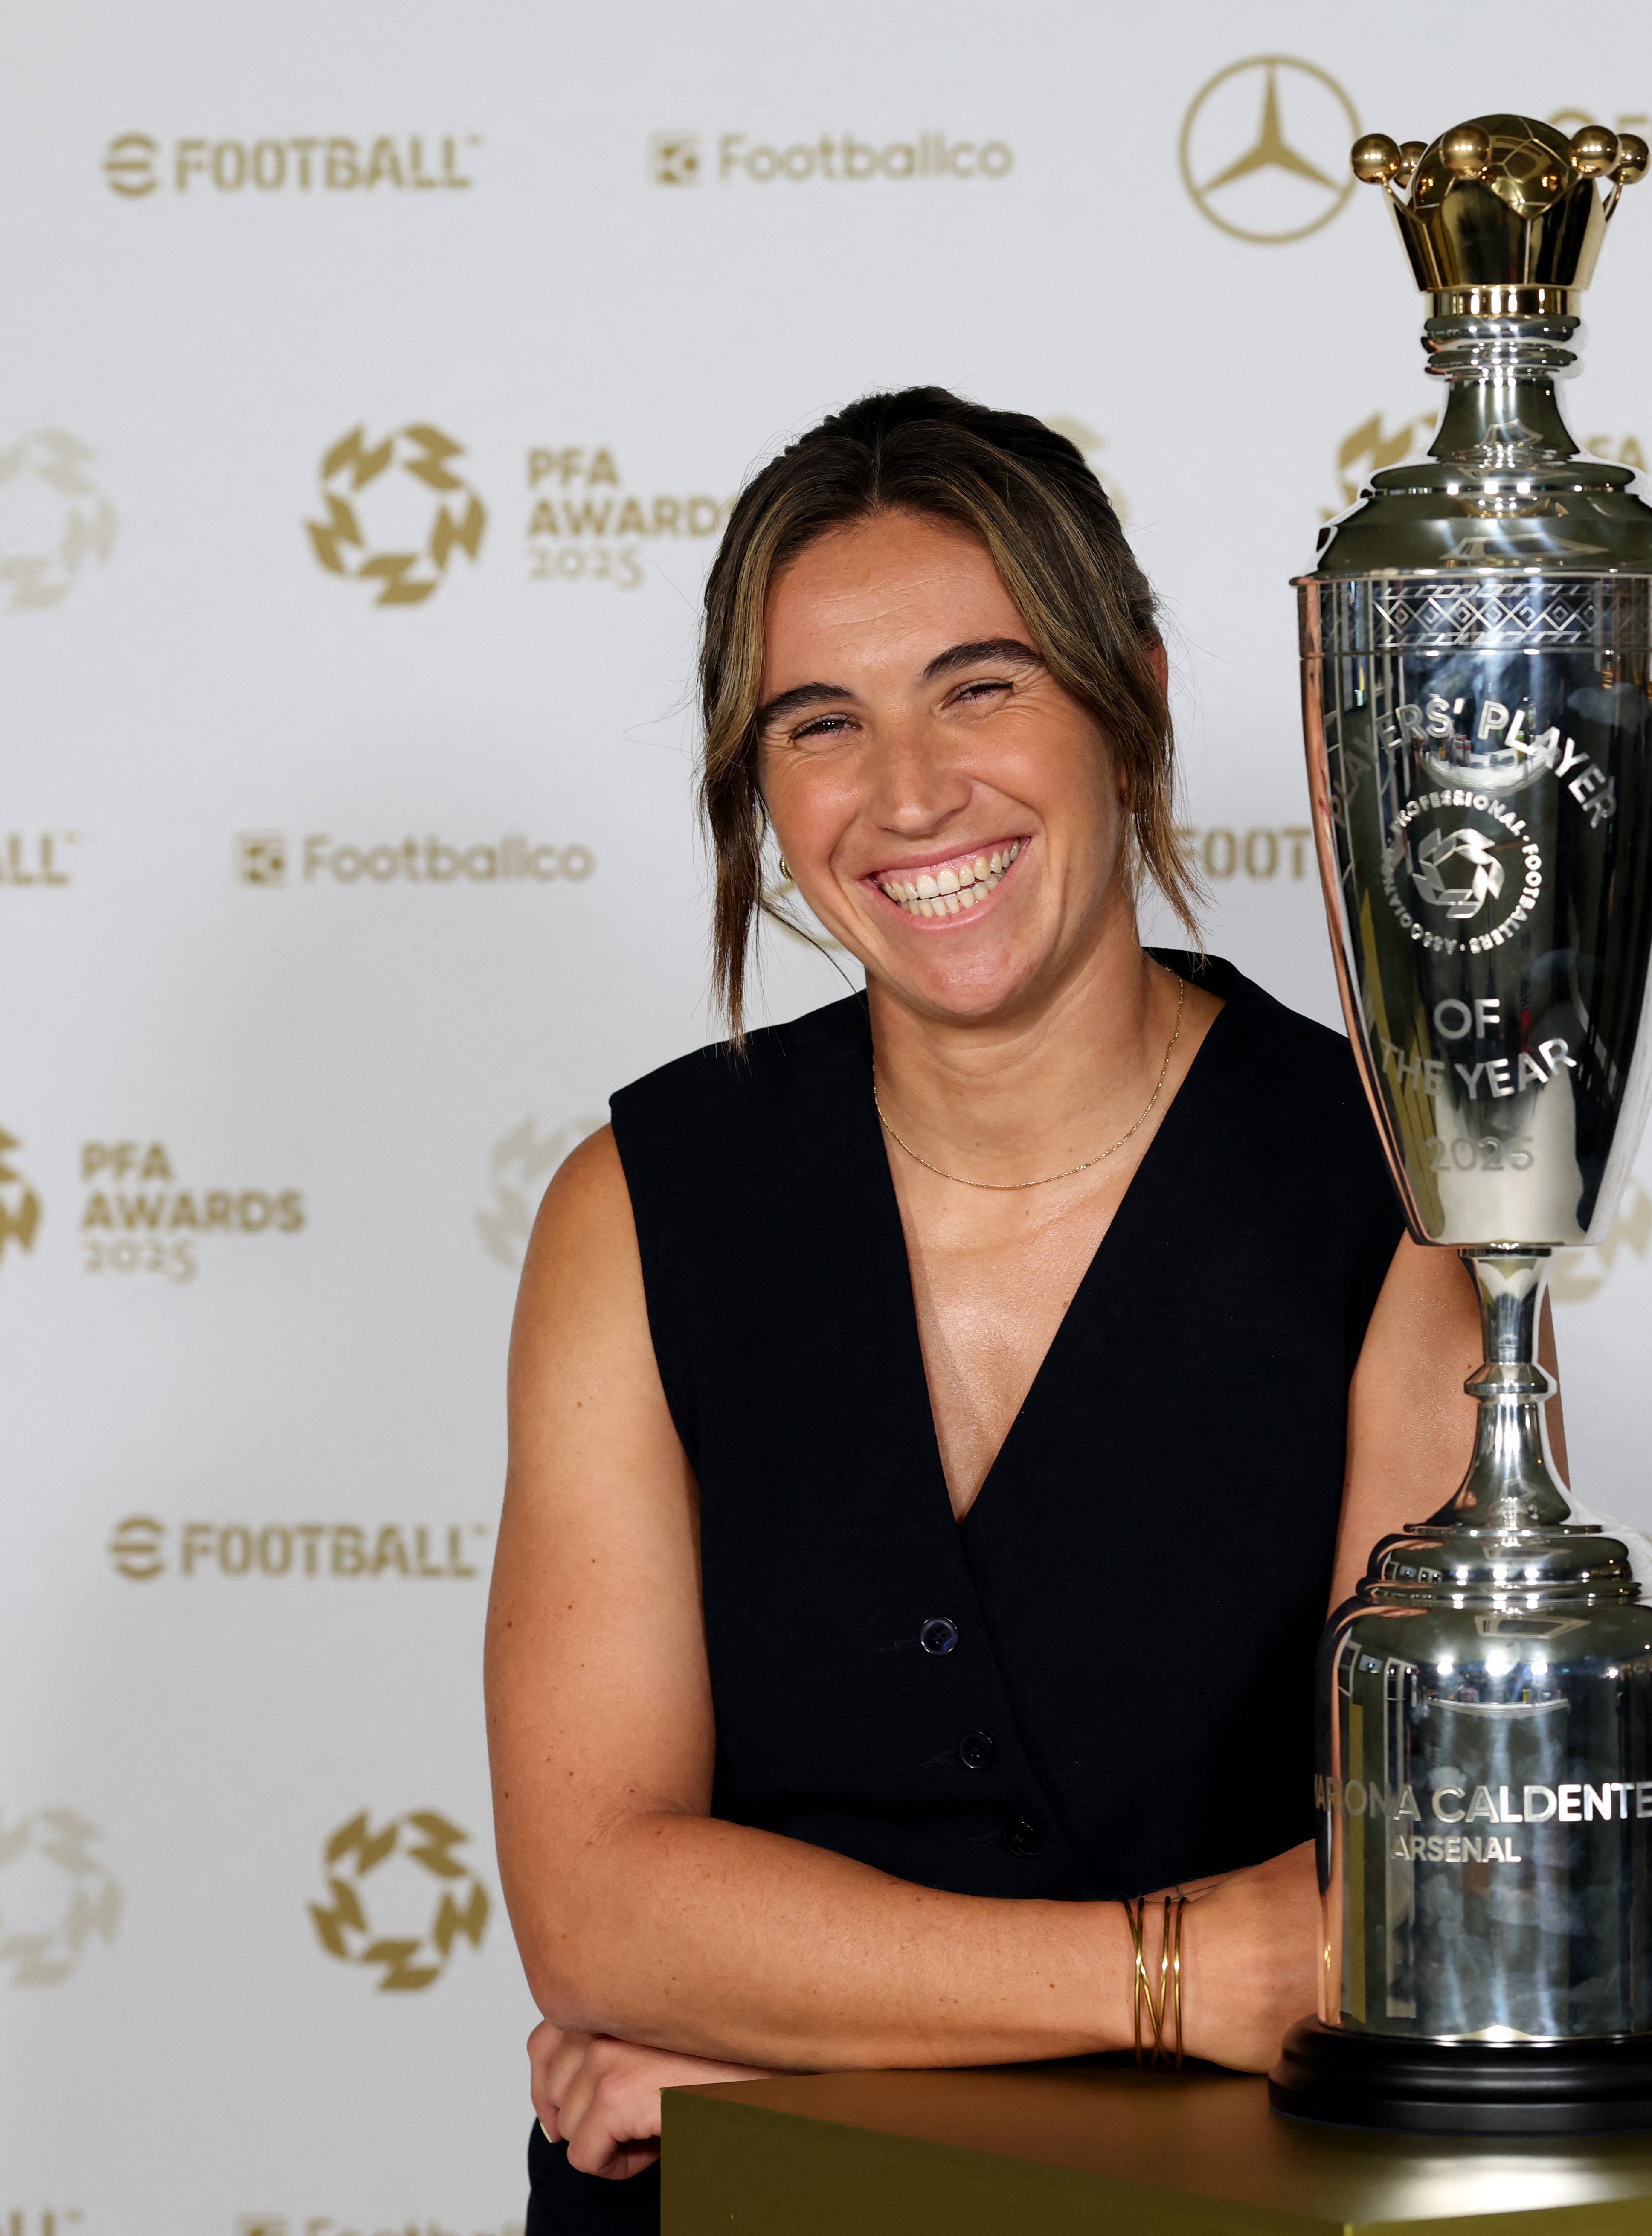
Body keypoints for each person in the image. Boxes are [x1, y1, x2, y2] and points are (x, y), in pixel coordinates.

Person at [484, 389, 1499, 2233]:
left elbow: (1418, 1927)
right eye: (821, 724)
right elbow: (596, 1912)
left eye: (982, 686)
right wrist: (1180, 1981)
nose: (908, 794)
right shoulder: (635, 1209)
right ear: (758, 789)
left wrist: (801, 2040)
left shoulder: (1402, 1191)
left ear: (1136, 696)